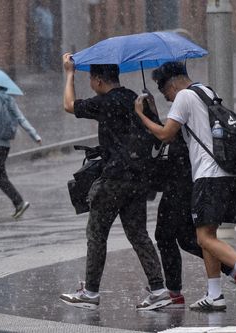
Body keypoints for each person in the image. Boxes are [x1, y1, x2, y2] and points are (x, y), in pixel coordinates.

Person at [134, 62, 236, 311]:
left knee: (203, 237)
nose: (169, 100)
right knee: (207, 236)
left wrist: (142, 115)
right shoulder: (206, 91)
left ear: (172, 85)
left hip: (209, 176)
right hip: (227, 174)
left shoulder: (183, 96)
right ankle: (214, 294)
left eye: (166, 95)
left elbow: (165, 135)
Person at [59, 53, 168, 311]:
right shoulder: (136, 99)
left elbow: (69, 105)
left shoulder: (103, 102)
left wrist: (69, 73)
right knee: (138, 234)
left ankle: (91, 292)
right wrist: (152, 107)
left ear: (98, 80)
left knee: (96, 234)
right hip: (139, 179)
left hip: (113, 179)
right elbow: (160, 134)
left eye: (90, 79)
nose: (90, 84)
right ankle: (159, 289)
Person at [153, 130, 236, 308]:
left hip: (184, 178)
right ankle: (234, 272)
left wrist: (143, 115)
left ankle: (175, 293)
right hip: (188, 176)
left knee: (172, 236)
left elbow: (166, 133)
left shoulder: (185, 102)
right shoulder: (192, 104)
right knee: (186, 239)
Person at [0, 83, 42, 219]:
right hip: (5, 144)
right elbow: (21, 118)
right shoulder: (10, 99)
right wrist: (35, 135)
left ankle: (19, 202)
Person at [33, 1, 54, 72]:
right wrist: (37, 31)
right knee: (43, 51)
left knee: (48, 51)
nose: (48, 3)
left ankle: (47, 67)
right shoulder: (38, 10)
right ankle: (43, 67)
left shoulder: (48, 10)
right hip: (42, 34)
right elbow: (36, 21)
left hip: (49, 34)